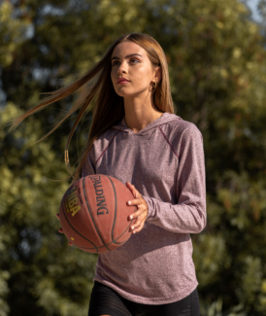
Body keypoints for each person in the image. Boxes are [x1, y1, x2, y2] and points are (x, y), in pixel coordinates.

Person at [12, 33, 206, 316]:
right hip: (112, 286)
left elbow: (197, 215)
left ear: (156, 74)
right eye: (116, 63)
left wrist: (148, 209)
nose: (121, 69)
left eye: (133, 61)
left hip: (173, 292)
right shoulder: (101, 144)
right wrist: (73, 219)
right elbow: (90, 205)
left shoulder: (183, 135)